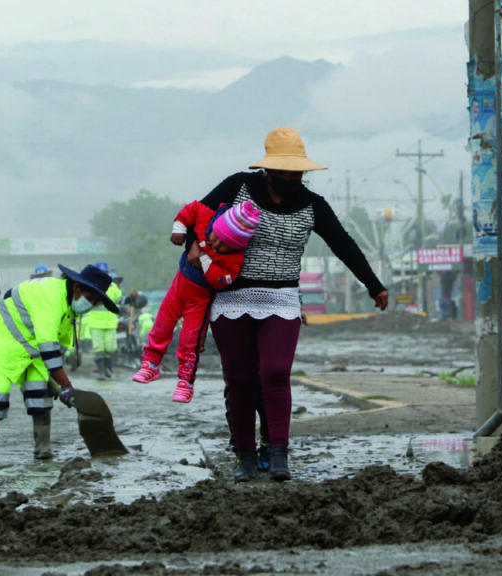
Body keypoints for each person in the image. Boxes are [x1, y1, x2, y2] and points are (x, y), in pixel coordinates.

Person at [201, 127, 388, 483]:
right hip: (231, 297)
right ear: (268, 169)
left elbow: (342, 243)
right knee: (239, 379)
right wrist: (195, 246)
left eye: (297, 172)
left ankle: (278, 452)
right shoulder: (238, 187)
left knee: (274, 372)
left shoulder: (313, 205)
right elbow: (198, 215)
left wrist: (373, 284)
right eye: (284, 171)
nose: (291, 178)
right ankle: (244, 456)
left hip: (282, 298)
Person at [0, 264, 118, 461]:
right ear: (76, 287)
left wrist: (55, 383)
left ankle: (43, 447)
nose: (91, 305)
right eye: (90, 298)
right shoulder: (51, 298)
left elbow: (56, 349)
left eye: (95, 302)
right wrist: (66, 386)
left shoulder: (69, 310)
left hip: (30, 345)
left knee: (40, 392)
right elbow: (49, 350)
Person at [132, 200, 261, 403]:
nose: (216, 246)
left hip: (200, 300)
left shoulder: (235, 258)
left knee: (189, 340)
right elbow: (190, 209)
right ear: (215, 226)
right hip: (179, 286)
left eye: (225, 246)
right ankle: (151, 363)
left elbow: (223, 280)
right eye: (216, 238)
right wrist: (179, 228)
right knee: (162, 324)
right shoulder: (206, 214)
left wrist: (206, 262)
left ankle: (186, 381)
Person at [84, 262, 122, 380]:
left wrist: (128, 299)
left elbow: (119, 298)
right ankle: (102, 371)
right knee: (98, 348)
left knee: (111, 348)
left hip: (110, 322)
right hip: (95, 322)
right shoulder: (90, 285)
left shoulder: (112, 286)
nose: (104, 274)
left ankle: (107, 367)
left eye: (105, 272)